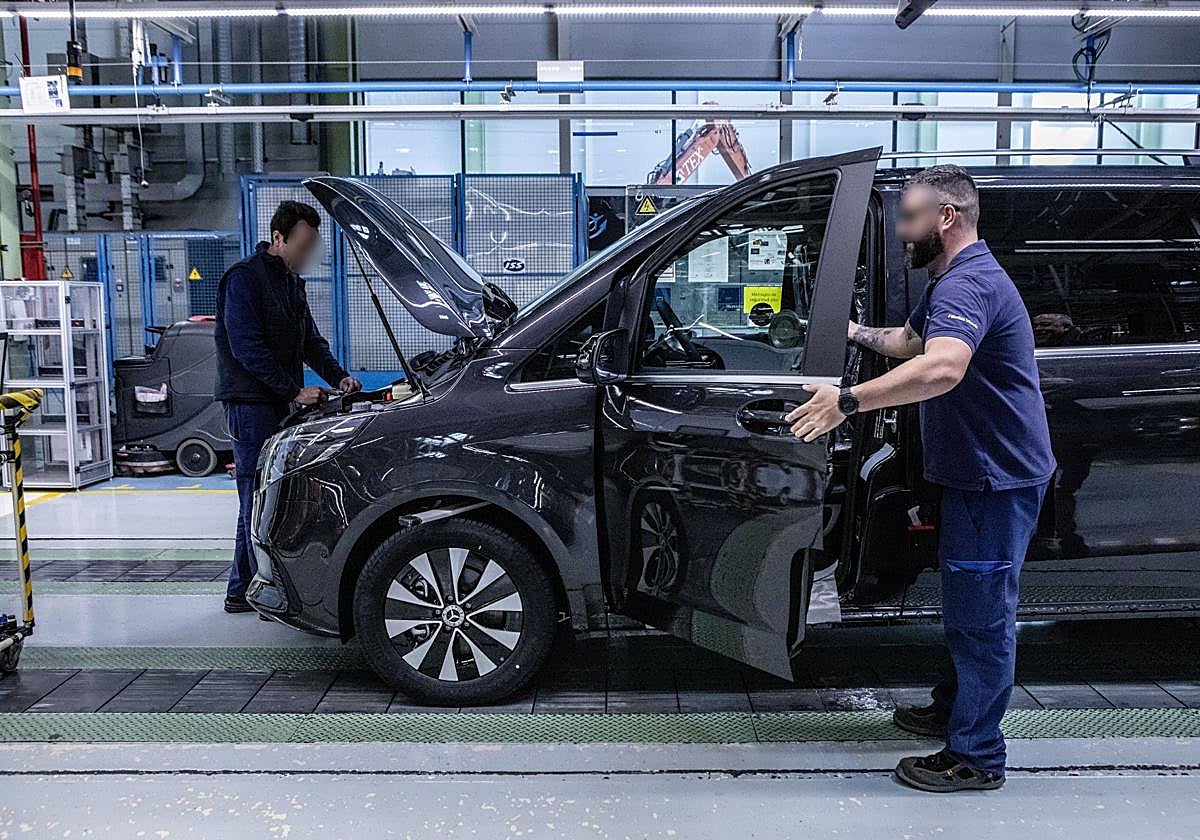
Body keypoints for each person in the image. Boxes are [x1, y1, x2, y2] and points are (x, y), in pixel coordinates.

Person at [786, 165, 1055, 793]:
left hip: (994, 481)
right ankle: (955, 709)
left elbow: (941, 368)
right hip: (978, 475)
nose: (902, 230)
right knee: (969, 607)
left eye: (909, 217)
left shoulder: (968, 286)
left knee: (982, 617)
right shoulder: (952, 279)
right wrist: (848, 332)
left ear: (947, 218)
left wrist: (847, 401)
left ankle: (977, 756)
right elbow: (911, 342)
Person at [214, 200, 361, 614]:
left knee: (274, 498)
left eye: (313, 245)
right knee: (255, 496)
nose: (308, 255)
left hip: (279, 401)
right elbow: (246, 349)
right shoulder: (244, 279)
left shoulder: (292, 283)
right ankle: (241, 591)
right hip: (250, 405)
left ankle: (253, 588)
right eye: (303, 245)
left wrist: (339, 377)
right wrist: (295, 391)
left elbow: (310, 342)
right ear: (278, 239)